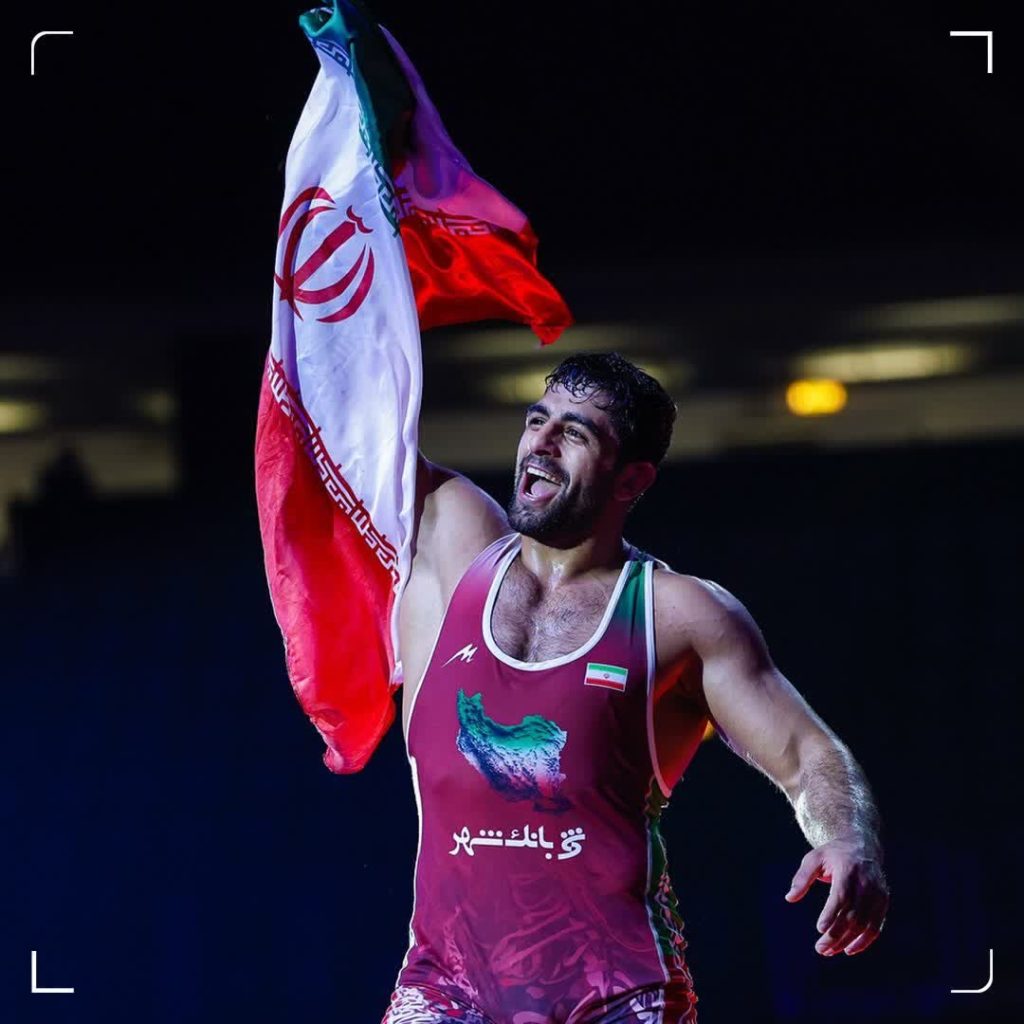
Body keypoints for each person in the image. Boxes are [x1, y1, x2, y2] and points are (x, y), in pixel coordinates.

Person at [382, 352, 889, 1024]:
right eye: (537, 421)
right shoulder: (453, 543)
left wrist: (848, 837)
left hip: (617, 994)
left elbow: (806, 751)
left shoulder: (676, 616)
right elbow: (343, 418)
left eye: (575, 433)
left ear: (632, 479)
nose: (542, 442)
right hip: (448, 986)